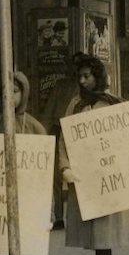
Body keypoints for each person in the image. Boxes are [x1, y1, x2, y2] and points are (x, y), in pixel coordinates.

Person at [58, 54, 125, 255]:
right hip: (86, 177)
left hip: (108, 177)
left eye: (87, 76)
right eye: (80, 76)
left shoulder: (113, 102)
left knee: (103, 233)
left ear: (98, 76)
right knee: (98, 235)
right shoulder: (75, 104)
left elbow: (126, 138)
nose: (83, 81)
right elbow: (64, 137)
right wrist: (65, 166)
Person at [0, 71, 45, 255]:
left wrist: (48, 207)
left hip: (27, 203)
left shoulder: (35, 127)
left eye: (15, 91)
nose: (9, 95)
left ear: (24, 94)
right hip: (0, 204)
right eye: (4, 91)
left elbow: (44, 174)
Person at [35, 52, 88, 229]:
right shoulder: (61, 85)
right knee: (57, 174)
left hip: (81, 134)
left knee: (83, 174)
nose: (75, 70)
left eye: (79, 66)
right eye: (72, 65)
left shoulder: (87, 88)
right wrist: (42, 136)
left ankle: (85, 214)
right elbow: (49, 112)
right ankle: (58, 217)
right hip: (60, 131)